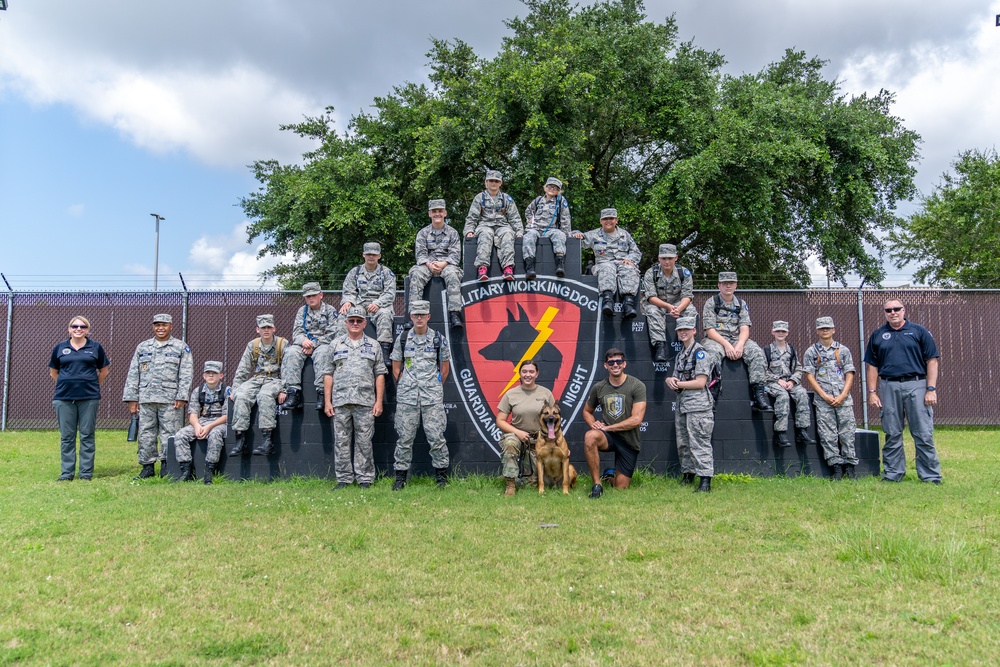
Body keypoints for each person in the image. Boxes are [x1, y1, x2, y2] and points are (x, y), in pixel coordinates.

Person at [864, 299, 942, 484]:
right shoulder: (878, 335)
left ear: (903, 310)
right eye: (888, 310)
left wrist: (931, 389)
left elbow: (932, 361)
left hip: (917, 384)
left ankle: (930, 476)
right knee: (892, 432)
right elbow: (872, 366)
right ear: (885, 313)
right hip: (889, 386)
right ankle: (893, 473)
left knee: (923, 432)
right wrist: (872, 392)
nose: (893, 312)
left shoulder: (919, 332)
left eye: (896, 309)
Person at [123, 313, 194, 480]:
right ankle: (147, 467)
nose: (160, 328)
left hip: (171, 400)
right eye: (157, 325)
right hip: (146, 398)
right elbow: (133, 373)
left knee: (169, 433)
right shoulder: (143, 347)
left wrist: (182, 396)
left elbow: (186, 373)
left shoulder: (180, 347)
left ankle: (167, 465)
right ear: (153, 326)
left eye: (164, 325)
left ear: (171, 326)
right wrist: (132, 398)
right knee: (145, 433)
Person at [323, 305, 386, 489]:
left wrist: (379, 401)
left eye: (359, 320)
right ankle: (344, 478)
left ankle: (365, 478)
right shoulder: (335, 344)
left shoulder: (374, 345)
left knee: (364, 442)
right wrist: (327, 401)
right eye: (352, 320)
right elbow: (328, 373)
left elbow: (380, 374)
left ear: (365, 323)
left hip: (365, 401)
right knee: (341, 442)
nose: (355, 323)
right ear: (346, 323)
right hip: (341, 401)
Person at [391, 300, 451, 490]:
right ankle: (400, 477)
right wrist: (408, 385)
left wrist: (432, 385)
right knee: (404, 438)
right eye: (415, 315)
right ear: (411, 316)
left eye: (422, 315)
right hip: (407, 398)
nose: (419, 318)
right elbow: (395, 368)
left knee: (436, 437)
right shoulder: (403, 338)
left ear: (428, 317)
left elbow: (445, 370)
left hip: (431, 398)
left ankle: (441, 477)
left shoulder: (437, 339)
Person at [49, 316, 110, 481]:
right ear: (69, 329)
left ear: (87, 330)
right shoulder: (60, 348)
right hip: (64, 398)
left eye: (82, 326)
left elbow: (104, 370)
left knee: (87, 434)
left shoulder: (95, 347)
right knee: (67, 436)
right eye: (74, 326)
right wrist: (66, 384)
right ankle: (67, 473)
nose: (78, 329)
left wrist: (91, 384)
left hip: (89, 398)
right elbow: (54, 372)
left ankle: (85, 473)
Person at [700, 272, 771, 412]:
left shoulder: (741, 304)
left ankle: (759, 394)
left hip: (736, 338)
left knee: (756, 352)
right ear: (719, 285)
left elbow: (745, 328)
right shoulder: (712, 302)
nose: (728, 286)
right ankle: (711, 395)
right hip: (716, 339)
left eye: (731, 283)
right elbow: (710, 330)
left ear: (736, 285)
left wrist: (739, 345)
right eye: (725, 283)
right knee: (711, 354)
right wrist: (726, 345)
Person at [582, 348, 647, 498]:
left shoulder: (637, 386)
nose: (615, 365)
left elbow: (636, 420)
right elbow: (586, 411)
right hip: (608, 437)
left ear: (624, 364)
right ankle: (597, 485)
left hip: (629, 440)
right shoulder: (599, 387)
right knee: (590, 436)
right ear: (606, 365)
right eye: (611, 362)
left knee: (621, 488)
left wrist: (608, 427)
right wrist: (594, 424)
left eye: (618, 361)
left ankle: (609, 477)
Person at [803, 317, 858, 480]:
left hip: (843, 399)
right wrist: (824, 395)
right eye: (822, 328)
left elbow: (850, 373)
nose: (825, 330)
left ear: (833, 330)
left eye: (828, 328)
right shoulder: (812, 352)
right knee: (827, 434)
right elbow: (810, 375)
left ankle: (850, 467)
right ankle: (836, 468)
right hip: (824, 400)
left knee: (847, 432)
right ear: (817, 331)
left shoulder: (843, 351)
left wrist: (843, 395)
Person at [665, 317, 716, 493]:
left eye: (687, 329)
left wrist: (677, 384)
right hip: (683, 405)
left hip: (699, 407)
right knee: (684, 443)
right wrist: (669, 380)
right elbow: (677, 378)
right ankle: (688, 475)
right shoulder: (681, 355)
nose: (683, 332)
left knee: (699, 443)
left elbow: (701, 382)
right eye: (680, 330)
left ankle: (705, 481)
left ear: (694, 331)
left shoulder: (700, 353)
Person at [229, 315, 288, 457]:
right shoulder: (253, 345)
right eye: (263, 328)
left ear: (274, 328)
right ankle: (240, 440)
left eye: (269, 327)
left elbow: (288, 368)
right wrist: (235, 388)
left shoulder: (282, 343)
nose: (266, 330)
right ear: (257, 329)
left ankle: (267, 441)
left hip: (275, 379)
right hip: (257, 378)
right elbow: (243, 368)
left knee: (265, 395)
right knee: (241, 396)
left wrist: (284, 389)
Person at [496, 359, 556, 496]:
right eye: (524, 372)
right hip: (517, 435)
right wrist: (517, 432)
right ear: (519, 374)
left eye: (531, 372)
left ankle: (527, 478)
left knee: (532, 484)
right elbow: (500, 421)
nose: (527, 375)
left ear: (537, 374)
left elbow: (554, 420)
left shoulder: (546, 393)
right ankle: (510, 485)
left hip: (539, 439)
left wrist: (560, 443)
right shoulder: (511, 394)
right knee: (510, 443)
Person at [282, 282, 344, 411]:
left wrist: (313, 344)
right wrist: (303, 340)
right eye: (308, 296)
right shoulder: (302, 311)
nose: (311, 298)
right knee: (291, 352)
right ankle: (293, 393)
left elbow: (333, 333)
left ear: (321, 295)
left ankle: (321, 393)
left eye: (314, 295)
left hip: (322, 344)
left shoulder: (330, 310)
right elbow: (297, 331)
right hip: (304, 344)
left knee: (323, 353)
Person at [572, 209, 642, 319]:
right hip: (603, 264)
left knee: (629, 268)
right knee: (607, 267)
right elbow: (579, 238)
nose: (608, 221)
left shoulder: (625, 235)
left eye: (611, 218)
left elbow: (636, 252)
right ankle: (608, 301)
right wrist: (576, 234)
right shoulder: (595, 235)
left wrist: (630, 259)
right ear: (601, 221)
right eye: (605, 219)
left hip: (622, 264)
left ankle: (628, 304)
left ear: (616, 220)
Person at [408, 199, 464, 330]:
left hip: (447, 264)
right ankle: (413, 314)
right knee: (416, 274)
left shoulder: (453, 233)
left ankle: (454, 314)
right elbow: (420, 254)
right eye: (434, 211)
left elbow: (455, 255)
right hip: (428, 265)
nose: (437, 214)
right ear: (429, 214)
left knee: (452, 274)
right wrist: (429, 264)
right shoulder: (423, 233)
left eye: (440, 211)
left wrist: (443, 264)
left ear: (445, 213)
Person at [173, 360, 229, 484]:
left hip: (220, 423)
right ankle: (186, 471)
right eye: (208, 373)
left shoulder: (227, 391)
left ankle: (209, 471)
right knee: (180, 435)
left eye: (214, 373)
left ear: (221, 375)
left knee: (215, 434)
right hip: (202, 421)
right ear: (203, 376)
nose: (211, 376)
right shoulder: (197, 391)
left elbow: (227, 416)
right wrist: (197, 425)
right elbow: (193, 415)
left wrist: (209, 427)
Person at [464, 169, 524, 282]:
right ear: (486, 182)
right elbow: (472, 217)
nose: (493, 183)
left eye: (496, 181)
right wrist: (469, 231)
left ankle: (508, 268)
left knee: (507, 234)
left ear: (500, 183)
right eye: (491, 180)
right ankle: (482, 268)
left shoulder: (506, 199)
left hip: (502, 225)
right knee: (485, 234)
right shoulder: (479, 198)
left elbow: (514, 217)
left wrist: (519, 231)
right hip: (485, 225)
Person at [763, 321, 815, 448]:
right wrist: (777, 380)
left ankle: (802, 431)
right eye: (778, 331)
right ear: (773, 332)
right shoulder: (767, 350)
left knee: (802, 394)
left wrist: (792, 381)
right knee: (783, 396)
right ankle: (781, 433)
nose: (780, 333)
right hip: (773, 383)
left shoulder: (791, 350)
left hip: (790, 381)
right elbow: (762, 371)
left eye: (783, 331)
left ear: (787, 333)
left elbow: (798, 368)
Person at [340, 242, 397, 357]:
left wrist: (378, 303)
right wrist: (348, 301)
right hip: (359, 305)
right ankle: (342, 348)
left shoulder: (386, 273)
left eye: (374, 254)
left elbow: (390, 294)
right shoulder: (354, 272)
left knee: (385, 314)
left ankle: (384, 352)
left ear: (379, 256)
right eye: (369, 254)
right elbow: (349, 291)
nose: (371, 257)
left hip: (379, 306)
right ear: (363, 255)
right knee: (344, 314)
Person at [642, 243, 696, 361]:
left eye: (670, 258)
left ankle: (687, 343)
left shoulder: (684, 273)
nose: (667, 262)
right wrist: (668, 307)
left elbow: (687, 295)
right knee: (651, 310)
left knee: (691, 310)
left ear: (675, 258)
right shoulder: (651, 273)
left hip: (677, 302)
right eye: (664, 258)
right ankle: (660, 346)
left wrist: (679, 309)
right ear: (659, 258)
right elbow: (651, 297)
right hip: (658, 303)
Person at [522, 176, 572, 279]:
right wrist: (530, 219)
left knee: (559, 236)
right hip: (535, 229)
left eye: (555, 188)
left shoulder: (560, 201)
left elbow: (565, 218)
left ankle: (560, 265)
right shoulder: (538, 200)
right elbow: (528, 211)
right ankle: (529, 268)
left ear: (558, 190)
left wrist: (567, 234)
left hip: (551, 229)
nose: (552, 189)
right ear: (545, 187)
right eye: (550, 186)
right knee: (528, 237)